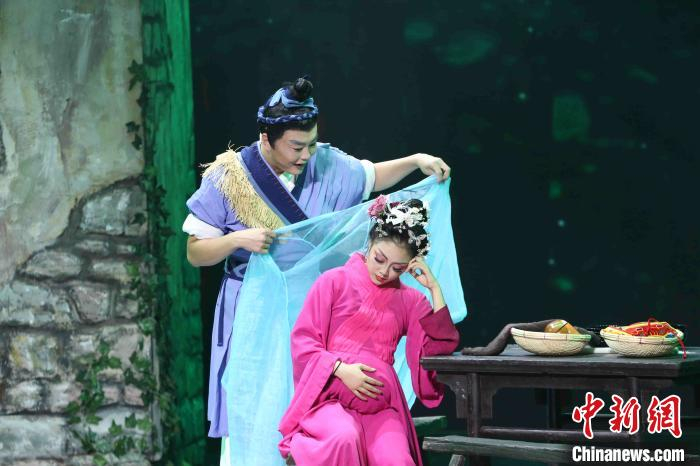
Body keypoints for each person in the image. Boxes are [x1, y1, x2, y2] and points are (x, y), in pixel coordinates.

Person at [182, 77, 452, 450]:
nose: (306, 155)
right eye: (296, 146)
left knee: (319, 400)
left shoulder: (325, 162)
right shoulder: (230, 177)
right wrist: (236, 240)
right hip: (255, 309)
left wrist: (416, 161)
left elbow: (371, 176)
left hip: (315, 306)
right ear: (266, 138)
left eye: (311, 144)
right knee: (257, 404)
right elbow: (195, 252)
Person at [278, 197, 460, 466]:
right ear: (370, 243)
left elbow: (436, 350)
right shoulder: (333, 282)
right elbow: (304, 342)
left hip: (381, 407)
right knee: (344, 437)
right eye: (379, 259)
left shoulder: (411, 301)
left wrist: (434, 288)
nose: (385, 272)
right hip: (329, 400)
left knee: (397, 460)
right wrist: (341, 369)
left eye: (397, 268)